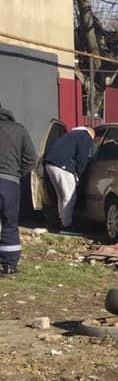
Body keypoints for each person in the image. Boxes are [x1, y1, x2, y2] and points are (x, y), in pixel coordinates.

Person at [0, 103, 37, 277]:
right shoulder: (19, 129)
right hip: (10, 183)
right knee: (10, 223)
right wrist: (16, 175)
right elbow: (31, 159)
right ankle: (9, 266)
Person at [42, 125, 100, 230]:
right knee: (69, 197)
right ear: (91, 133)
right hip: (62, 166)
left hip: (50, 164)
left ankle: (62, 220)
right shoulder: (84, 136)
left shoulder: (71, 135)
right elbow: (82, 158)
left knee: (61, 195)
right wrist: (79, 174)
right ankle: (66, 225)